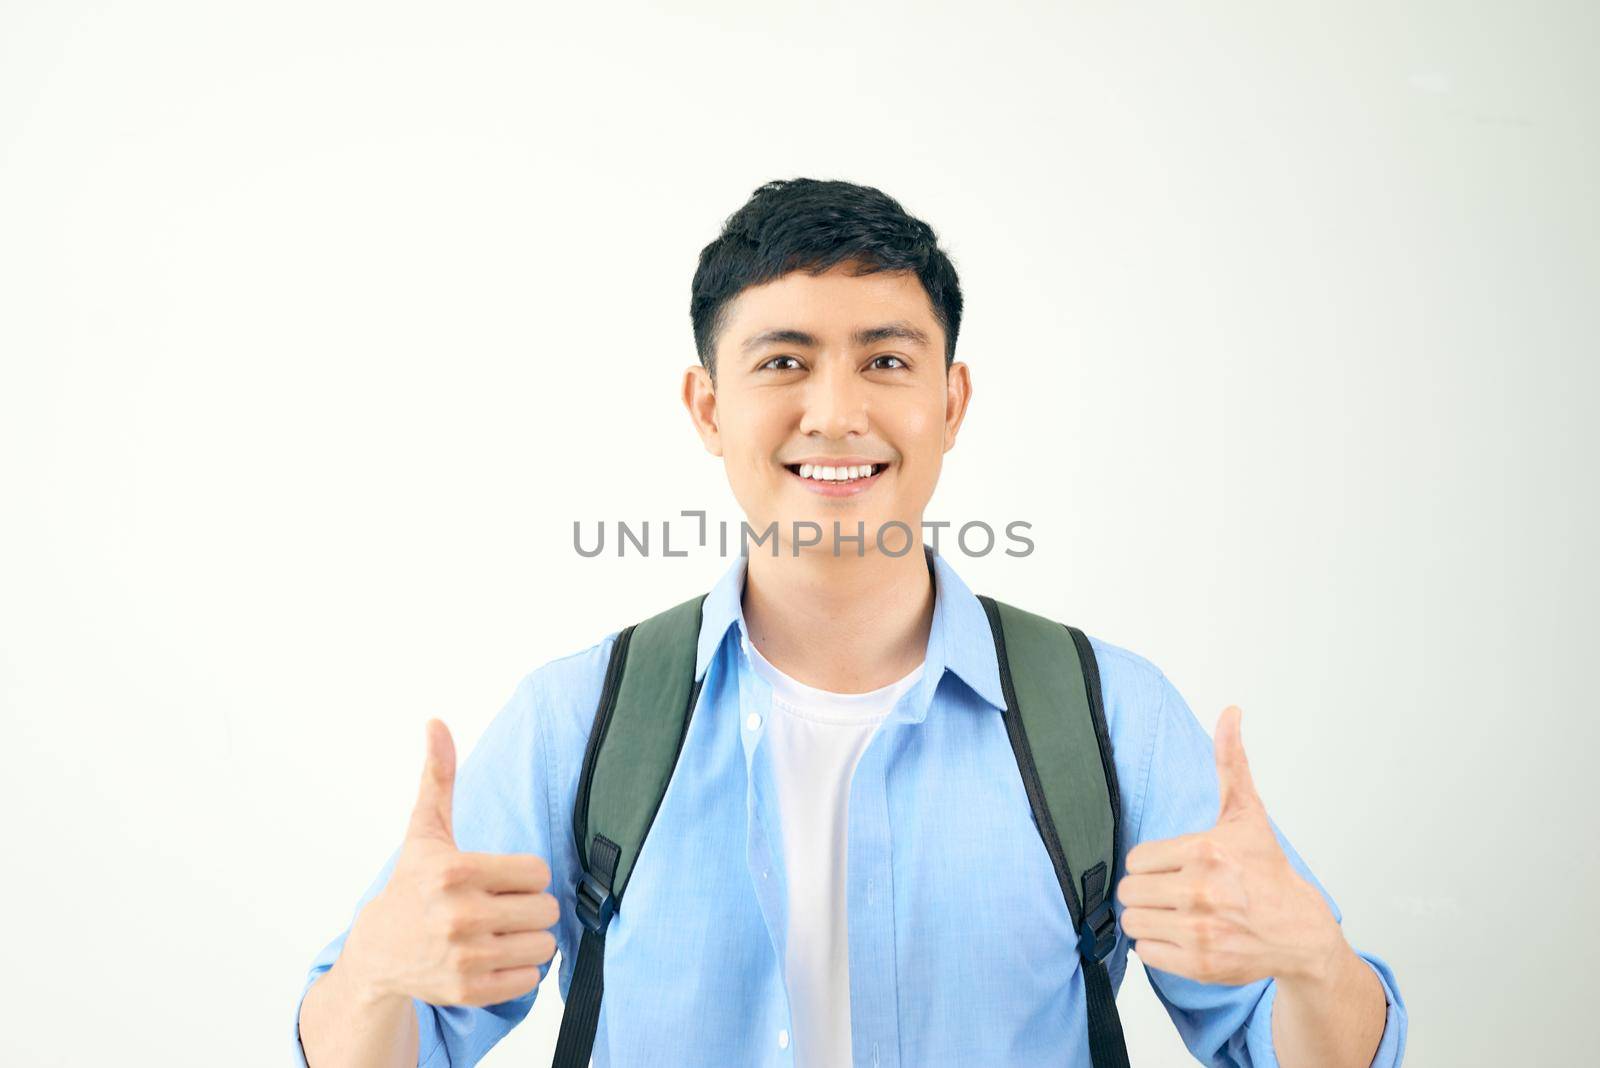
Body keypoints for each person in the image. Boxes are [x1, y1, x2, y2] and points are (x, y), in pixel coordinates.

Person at [293, 177, 1408, 1067]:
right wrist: (377, 980)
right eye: (783, 361)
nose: (836, 411)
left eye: (886, 360)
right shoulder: (576, 720)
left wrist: (1311, 960)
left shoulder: (1110, 717)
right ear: (708, 406)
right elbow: (381, 1053)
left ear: (950, 403)